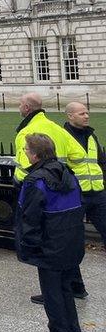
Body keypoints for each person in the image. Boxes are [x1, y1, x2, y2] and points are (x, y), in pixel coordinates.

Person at [15, 133, 85, 332]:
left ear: (34, 155)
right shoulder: (69, 174)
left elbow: (29, 218)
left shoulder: (35, 180)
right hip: (70, 241)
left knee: (52, 293)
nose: (25, 152)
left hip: (48, 244)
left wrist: (29, 247)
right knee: (65, 289)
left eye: (27, 149)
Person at [54, 102, 106, 300]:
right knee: (71, 241)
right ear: (70, 116)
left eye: (87, 112)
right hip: (75, 196)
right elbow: (59, 168)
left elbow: (100, 162)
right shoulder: (62, 137)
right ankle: (76, 286)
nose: (87, 116)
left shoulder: (91, 135)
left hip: (98, 194)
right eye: (82, 113)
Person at [14, 93, 85, 184]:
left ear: (26, 107)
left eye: (20, 104)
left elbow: (26, 166)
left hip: (34, 186)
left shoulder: (25, 133)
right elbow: (79, 156)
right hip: (59, 182)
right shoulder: (59, 129)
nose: (19, 107)